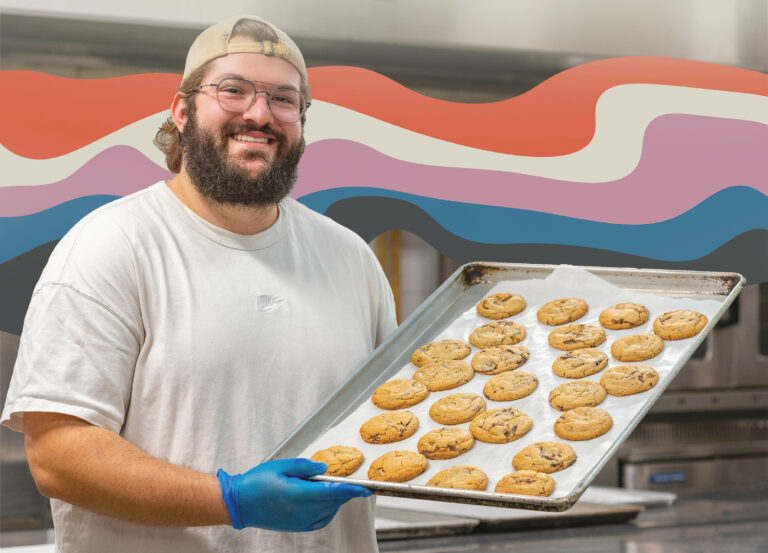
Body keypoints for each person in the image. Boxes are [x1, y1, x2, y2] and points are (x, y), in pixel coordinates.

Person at [1, 15, 397, 553]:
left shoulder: (349, 258)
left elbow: (396, 415)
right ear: (182, 111)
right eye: (233, 91)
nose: (260, 114)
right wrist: (229, 499)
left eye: (284, 99)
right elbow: (57, 456)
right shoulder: (112, 246)